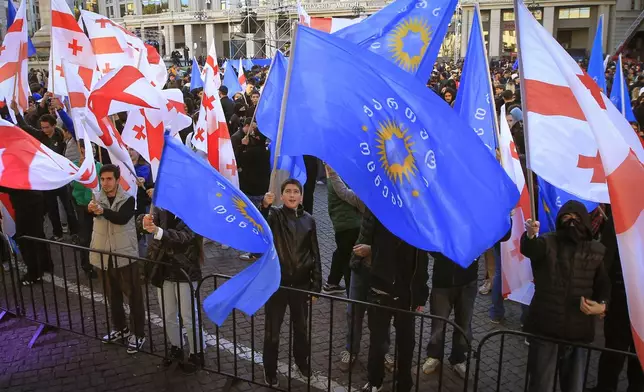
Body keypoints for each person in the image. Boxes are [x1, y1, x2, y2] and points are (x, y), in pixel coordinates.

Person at [521, 200, 610, 392]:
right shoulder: (547, 242)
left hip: (578, 333)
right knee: (541, 386)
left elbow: (603, 286)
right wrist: (529, 235)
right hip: (546, 330)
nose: (572, 222)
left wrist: (602, 306)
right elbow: (530, 249)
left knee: (574, 387)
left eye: (577, 218)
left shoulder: (596, 251)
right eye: (567, 218)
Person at [260, 179, 322, 387]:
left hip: (301, 285)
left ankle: (301, 363)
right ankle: (270, 369)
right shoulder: (275, 215)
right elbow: (260, 227)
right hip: (278, 285)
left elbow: (315, 253)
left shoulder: (309, 220)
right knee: (272, 332)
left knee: (301, 330)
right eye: (288, 191)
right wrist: (264, 205)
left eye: (296, 192)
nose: (292, 195)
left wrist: (316, 286)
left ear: (302, 196)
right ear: (282, 195)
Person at [362, 217, 429, 392]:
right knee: (378, 342)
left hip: (407, 296)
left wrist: (421, 295)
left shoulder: (418, 222)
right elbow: (365, 237)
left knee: (407, 344)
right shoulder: (380, 213)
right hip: (381, 292)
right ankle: (375, 381)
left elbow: (422, 262)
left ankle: (404, 384)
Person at [139, 207, 204, 374]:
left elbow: (186, 237)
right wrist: (143, 221)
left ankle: (197, 353)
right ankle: (176, 346)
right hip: (163, 269)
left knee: (188, 316)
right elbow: (145, 219)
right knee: (168, 314)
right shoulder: (162, 208)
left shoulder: (194, 211)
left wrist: (159, 231)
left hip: (186, 270)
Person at [89, 164, 146, 354]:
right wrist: (89, 210)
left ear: (117, 179)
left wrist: (102, 211)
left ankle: (138, 334)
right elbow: (86, 218)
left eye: (109, 179)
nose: (105, 183)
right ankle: (120, 328)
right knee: (112, 296)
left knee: (134, 296)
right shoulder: (96, 197)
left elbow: (121, 218)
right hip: (104, 256)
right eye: (102, 179)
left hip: (124, 256)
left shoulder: (128, 198)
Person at [591, 208, 644, 392]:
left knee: (639, 352)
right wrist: (604, 298)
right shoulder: (620, 215)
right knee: (615, 349)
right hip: (620, 297)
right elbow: (605, 261)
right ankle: (606, 387)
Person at [322, 166, 361, 295]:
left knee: (342, 254)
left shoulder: (338, 174)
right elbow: (349, 195)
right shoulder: (337, 176)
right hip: (349, 224)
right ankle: (353, 300)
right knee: (350, 263)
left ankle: (332, 283)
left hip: (345, 224)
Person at [0, 187, 50, 285]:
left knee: (26, 240)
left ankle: (33, 273)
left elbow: (10, 186)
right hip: (36, 199)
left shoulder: (14, 173)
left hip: (25, 204)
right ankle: (45, 265)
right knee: (37, 235)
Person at [71, 142, 101, 278]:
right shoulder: (75, 166)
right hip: (82, 206)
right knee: (85, 237)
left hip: (97, 206)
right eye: (90, 148)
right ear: (81, 150)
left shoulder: (99, 166)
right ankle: (87, 266)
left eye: (94, 148)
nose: (93, 151)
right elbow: (73, 185)